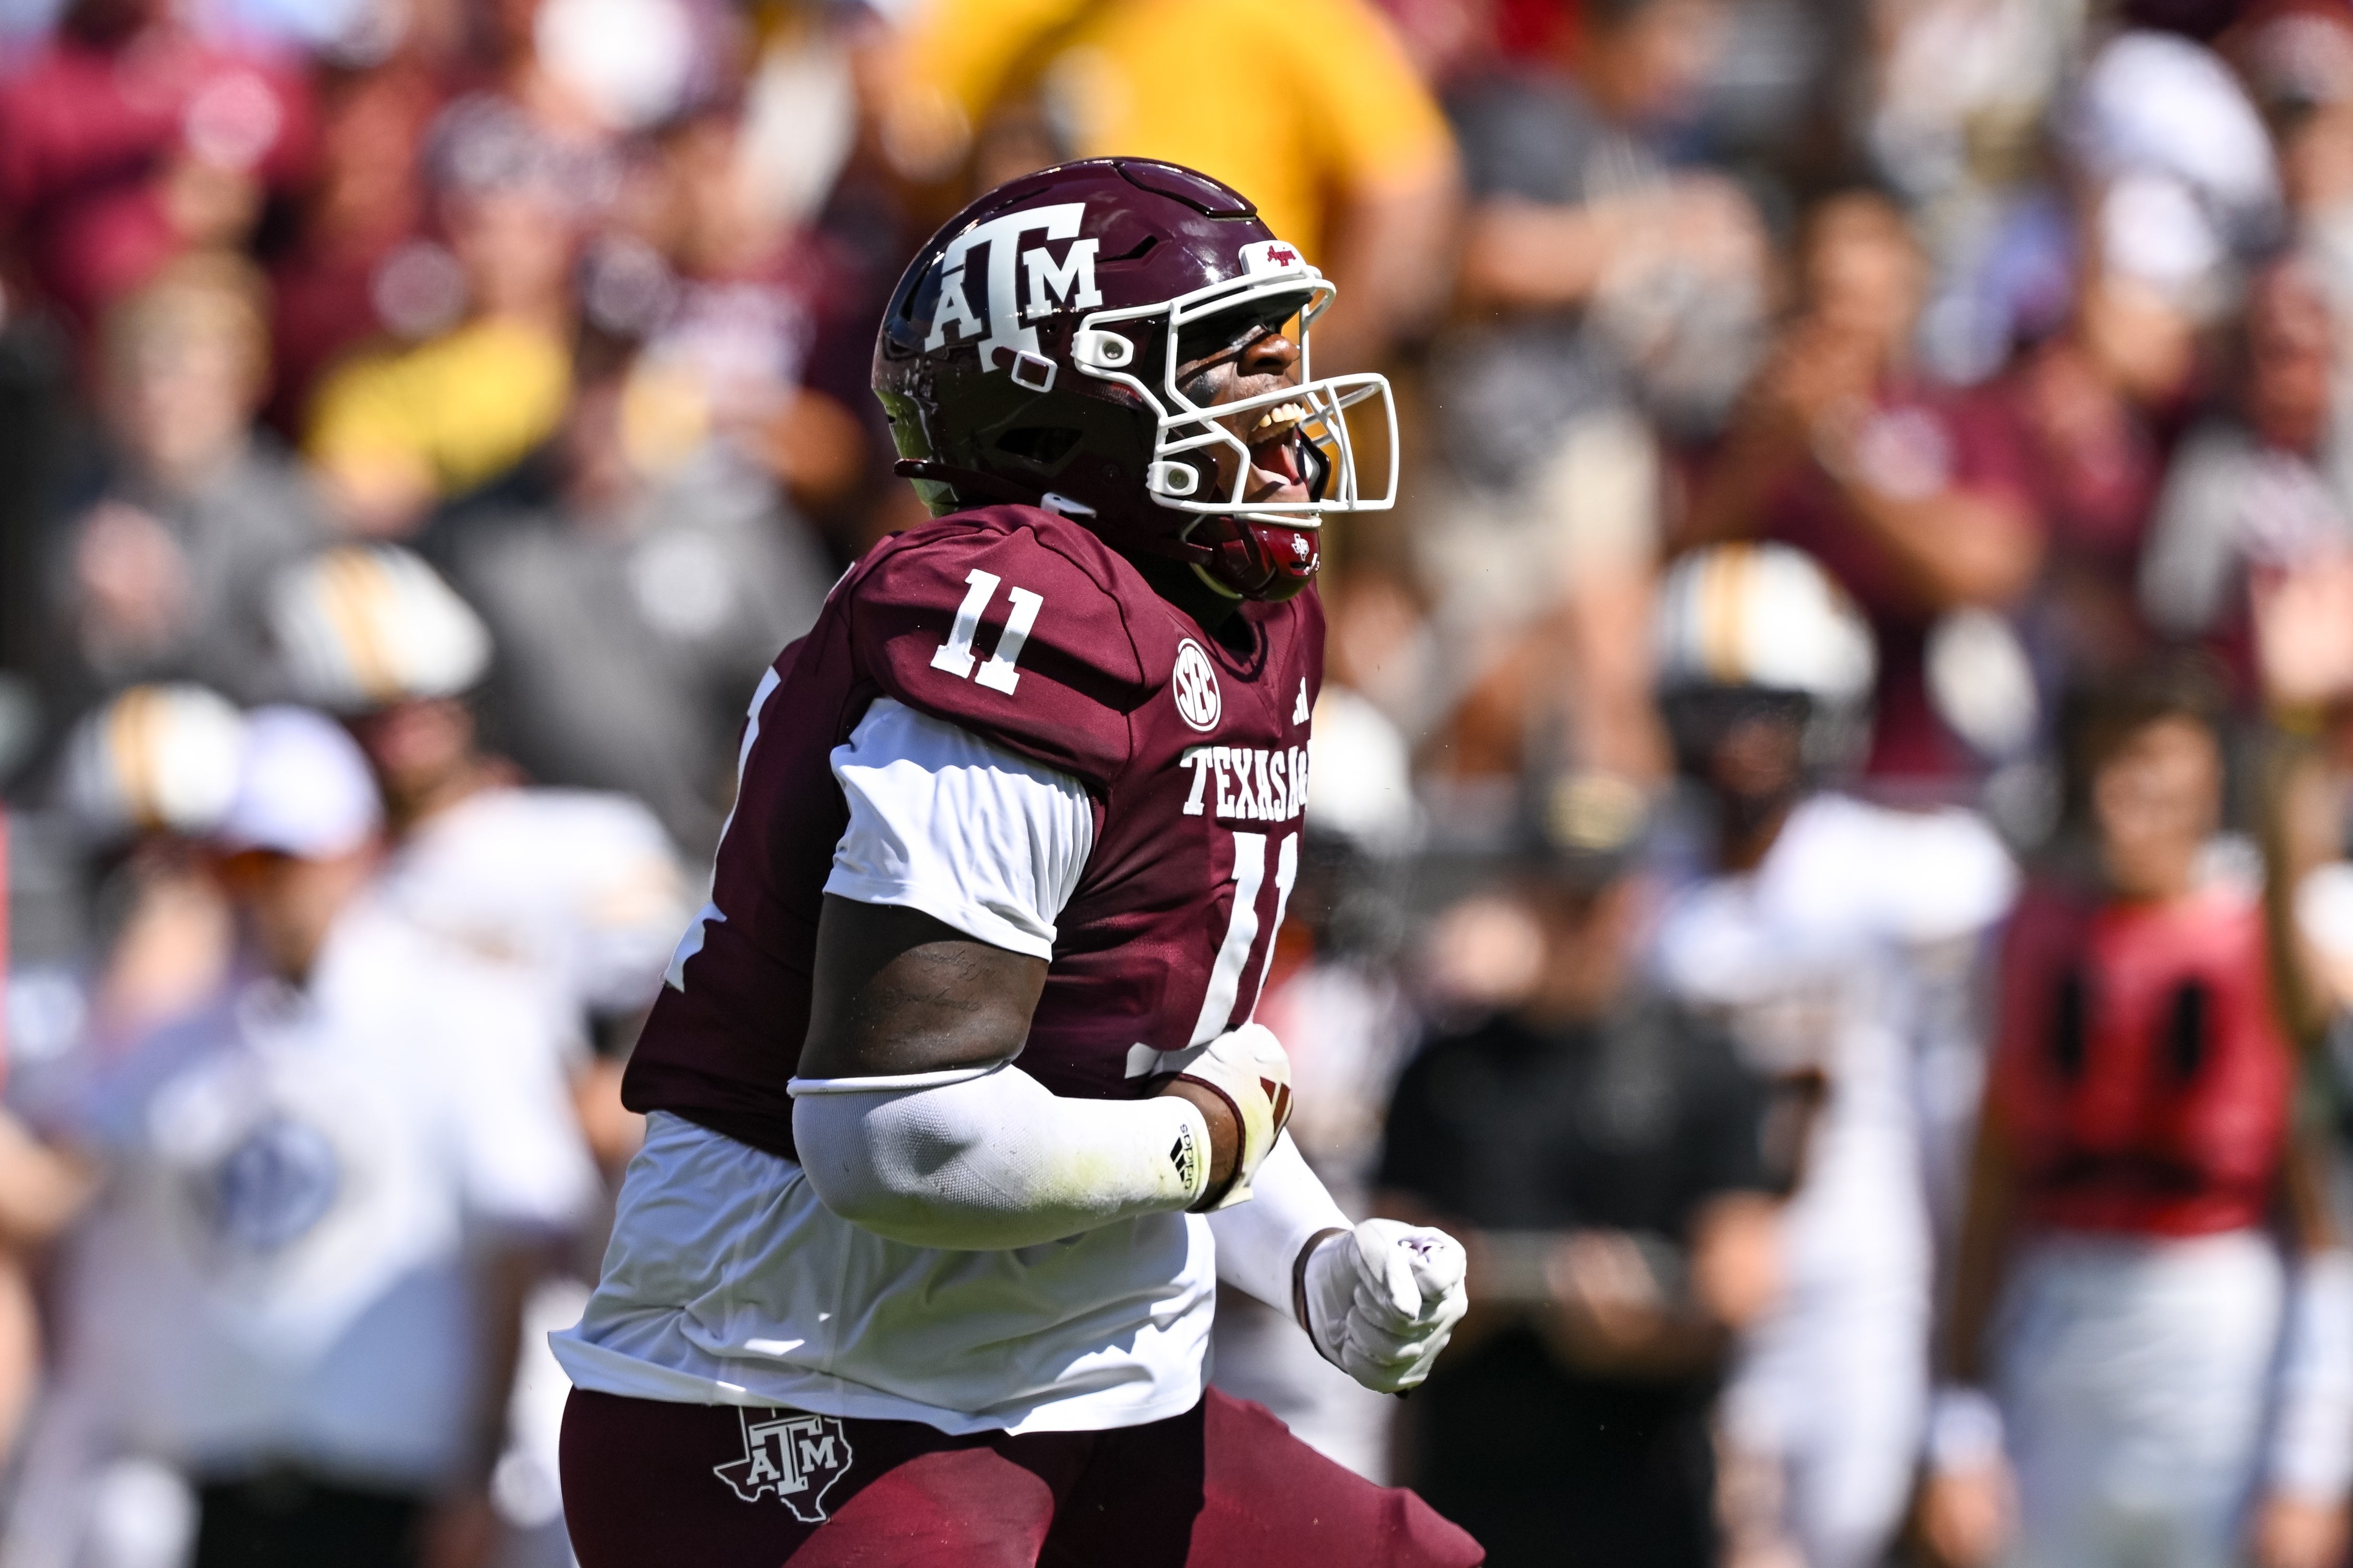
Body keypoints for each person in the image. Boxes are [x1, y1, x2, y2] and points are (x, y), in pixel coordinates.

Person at [551, 158, 1478, 1564]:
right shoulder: (1013, 635)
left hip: (1090, 1385)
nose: (1292, 416)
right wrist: (1212, 1144)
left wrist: (1309, 1251)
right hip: (799, 1384)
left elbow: (1156, 1057)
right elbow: (903, 1135)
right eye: (1230, 367)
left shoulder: (1233, 621)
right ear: (1074, 410)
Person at [19, 707, 598, 1568]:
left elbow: (508, 1248)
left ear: (356, 851)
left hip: (396, 1478)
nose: (267, 887)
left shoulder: (459, 1015)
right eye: (239, 861)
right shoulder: (181, 1032)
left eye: (286, 858)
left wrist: (479, 1468)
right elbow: (55, 1182)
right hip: (225, 1476)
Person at [1920, 670, 2353, 1568]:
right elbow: (1991, 1183)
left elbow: (2321, 1217)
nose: (2131, 791)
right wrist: (1957, 1417)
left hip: (2213, 1341)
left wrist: (2309, 1459)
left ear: (2210, 781)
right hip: (2059, 1332)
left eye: (2157, 758)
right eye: (2111, 759)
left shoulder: (2267, 940)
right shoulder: (2030, 934)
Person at [1645, 542, 2019, 1568]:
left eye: (1767, 707)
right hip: (1703, 1301)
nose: (1736, 743)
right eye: (1709, 708)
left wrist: (1959, 1399)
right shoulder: (1641, 895)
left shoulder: (1905, 873)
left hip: (1863, 1297)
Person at [1376, 772, 1781, 1567]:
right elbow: (1377, 1275)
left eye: (1597, 894)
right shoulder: (1446, 1072)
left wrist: (1643, 1330)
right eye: (1559, 893)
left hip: (1643, 1494)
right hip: (1473, 1489)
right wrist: (1476, 1291)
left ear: (1639, 896)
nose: (1578, 920)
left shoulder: (1703, 1067)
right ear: (1521, 893)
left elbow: (1740, 1285)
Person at [266, 542, 690, 1167]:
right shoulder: (295, 887)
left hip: (571, 1218)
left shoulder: (590, 841)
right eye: (368, 716)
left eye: (424, 704)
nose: (402, 731)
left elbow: (668, 1044)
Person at [1681, 189, 2043, 794]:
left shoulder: (1966, 417)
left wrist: (1837, 459)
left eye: (1861, 292)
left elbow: (1987, 570)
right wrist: (1770, 447)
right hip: (1763, 797)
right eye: (1824, 294)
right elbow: (1681, 569)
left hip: (1922, 789)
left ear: (1910, 284)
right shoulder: (1741, 427)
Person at [884, 0, 1457, 370]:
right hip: (1045, 397)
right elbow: (912, 169)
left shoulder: (1293, 16)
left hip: (1226, 396)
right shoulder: (999, 22)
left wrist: (1309, 360)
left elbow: (1405, 185)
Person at [46, 255, 327, 711]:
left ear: (244, 382)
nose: (158, 397)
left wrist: (166, 618)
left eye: (182, 375)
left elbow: (295, 683)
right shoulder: (75, 498)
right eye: (136, 375)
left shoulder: (287, 516)